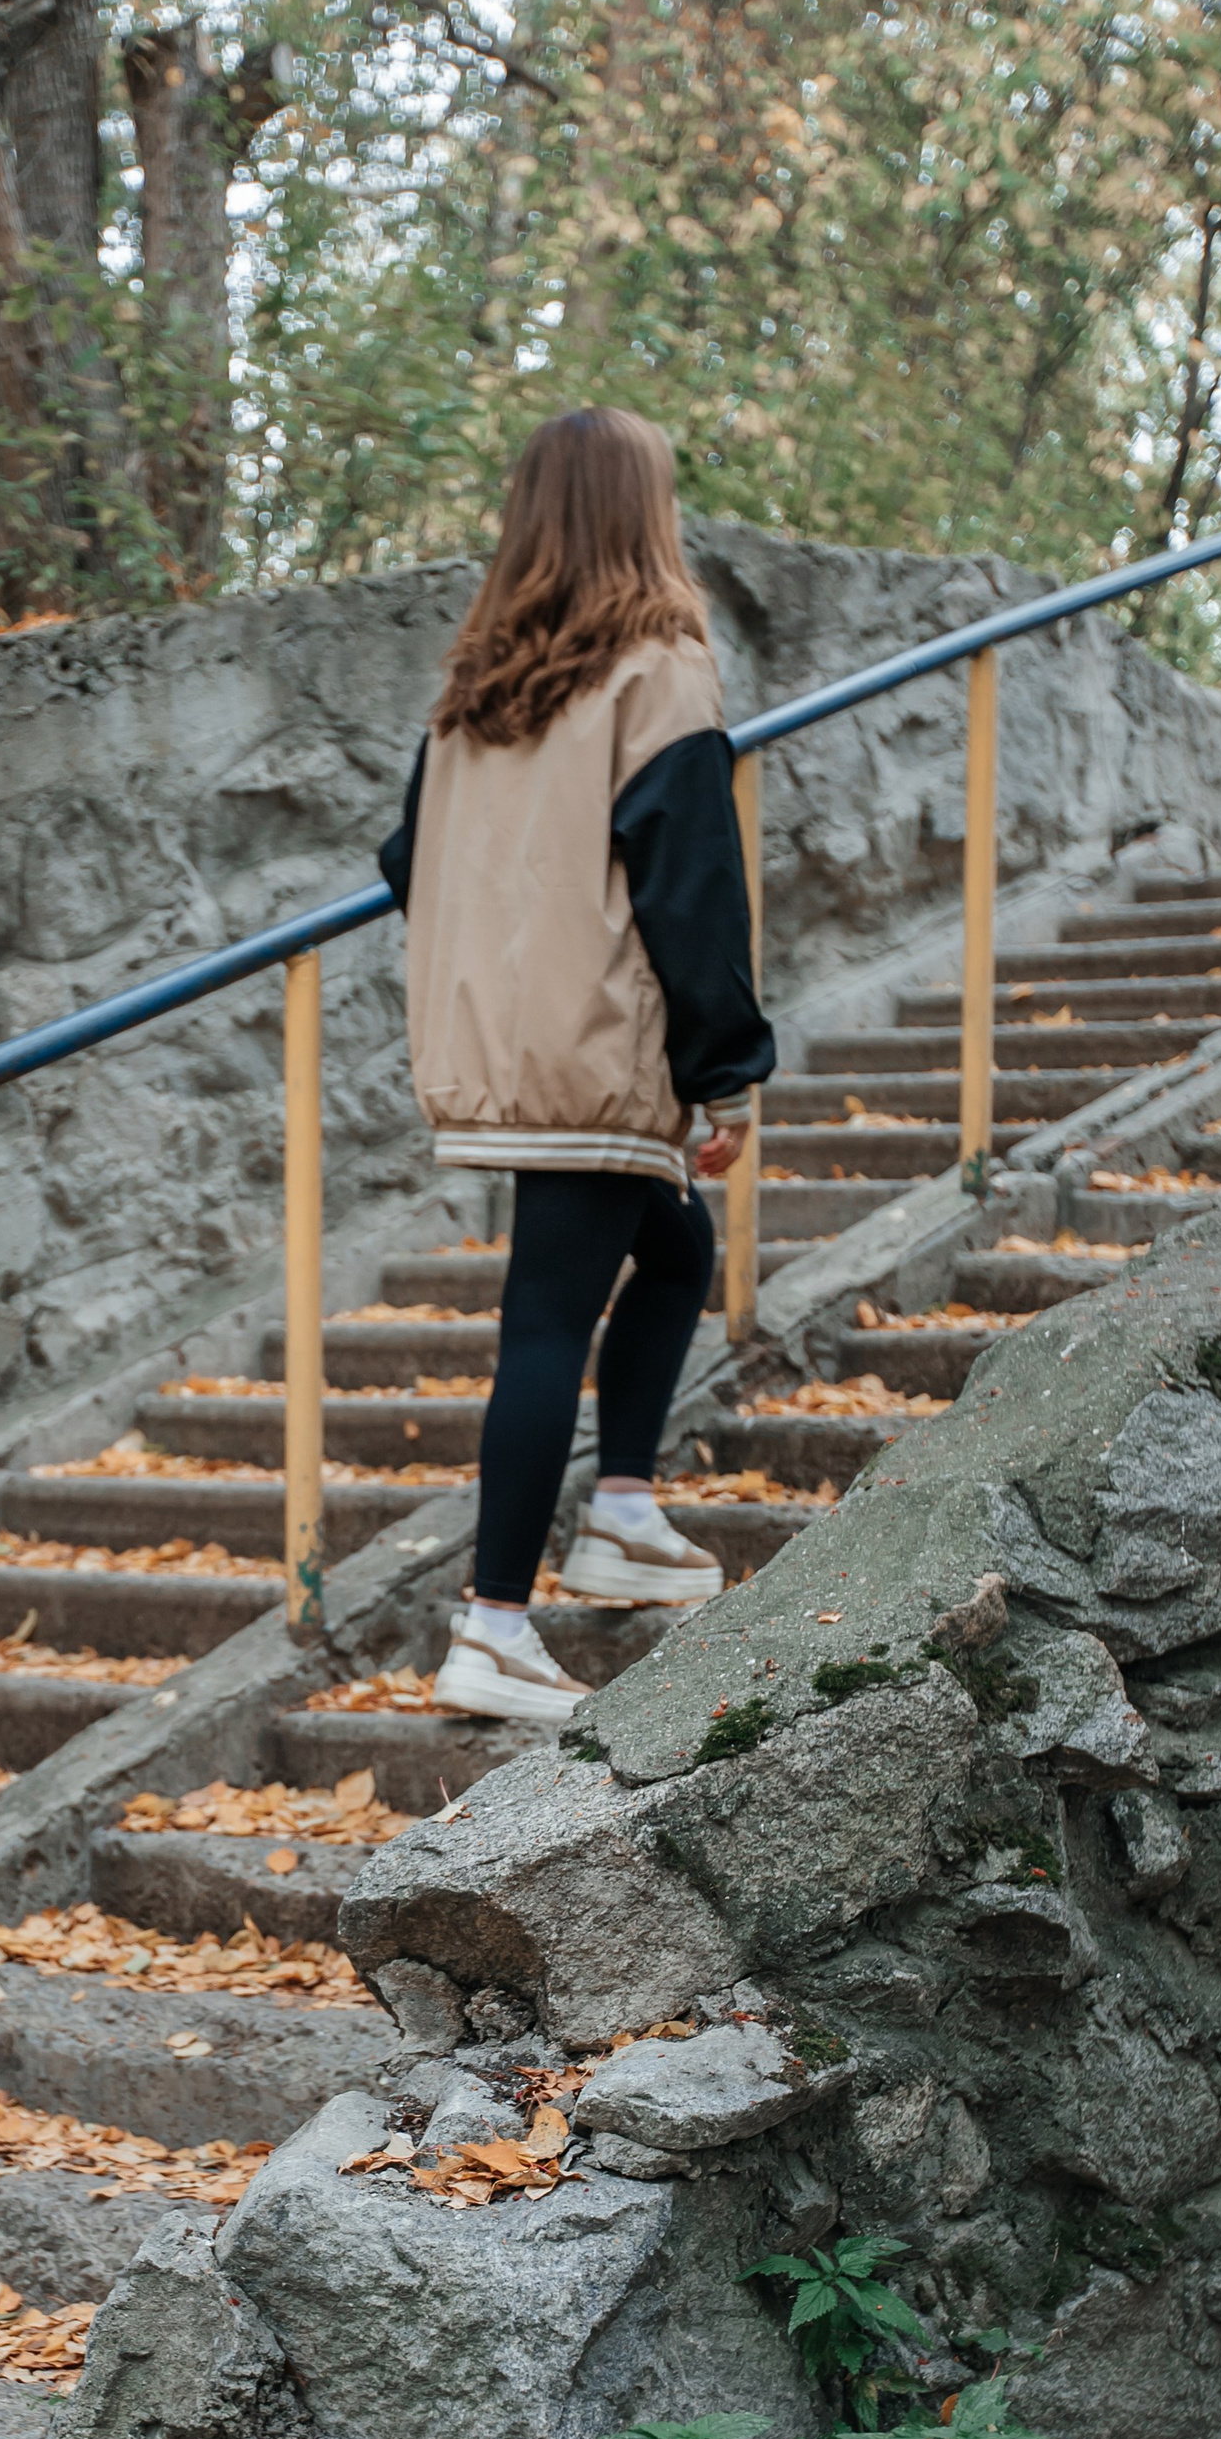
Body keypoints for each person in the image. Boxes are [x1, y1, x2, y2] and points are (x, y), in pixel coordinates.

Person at [379, 407, 774, 1725]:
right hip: (593, 1047)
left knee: (671, 1251)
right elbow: (693, 889)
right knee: (546, 1319)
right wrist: (726, 1068)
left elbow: (404, 866)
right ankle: (493, 1624)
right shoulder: (658, 668)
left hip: (499, 1042)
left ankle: (621, 1510)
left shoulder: (476, 691)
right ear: (642, 511)